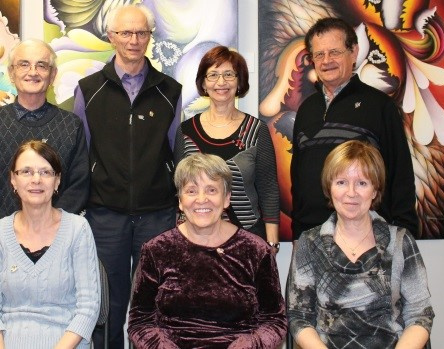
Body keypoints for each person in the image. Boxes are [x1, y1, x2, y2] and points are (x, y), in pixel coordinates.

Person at [72, 4, 182, 348]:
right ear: (111, 36)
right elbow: (81, 153)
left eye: (141, 33)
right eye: (126, 33)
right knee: (108, 305)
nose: (134, 40)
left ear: (150, 37)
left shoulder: (170, 90)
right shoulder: (88, 89)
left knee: (152, 306)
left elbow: (177, 153)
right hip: (105, 215)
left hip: (157, 214)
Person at [128, 153, 287, 348]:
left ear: (227, 198)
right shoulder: (156, 250)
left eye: (211, 190)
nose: (201, 200)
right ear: (180, 201)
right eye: (191, 191)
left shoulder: (256, 250)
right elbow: (140, 322)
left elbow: (274, 321)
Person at [287, 140, 434, 348]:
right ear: (329, 188)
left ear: (375, 191)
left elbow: (420, 314)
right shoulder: (310, 243)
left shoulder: (400, 241)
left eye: (362, 183)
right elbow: (299, 316)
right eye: (341, 182)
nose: (351, 193)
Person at [290, 17, 418, 240]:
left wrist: (404, 234)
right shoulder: (306, 110)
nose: (326, 60)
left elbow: (401, 175)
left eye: (335, 52)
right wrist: (297, 233)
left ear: (354, 52)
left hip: (366, 238)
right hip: (311, 239)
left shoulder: (380, 106)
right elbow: (298, 180)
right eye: (319, 54)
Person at [0, 38, 89, 254]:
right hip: (0, 244)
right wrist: (8, 232)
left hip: (56, 245)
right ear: (12, 73)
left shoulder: (71, 125)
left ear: (52, 75)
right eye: (24, 64)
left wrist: (50, 230)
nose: (32, 72)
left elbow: (78, 186)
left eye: (41, 65)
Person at [0, 140, 100, 348]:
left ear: (57, 181)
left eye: (46, 172)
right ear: (13, 180)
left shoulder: (78, 230)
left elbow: (88, 308)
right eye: (26, 171)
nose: (36, 180)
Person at [174, 45, 280, 252]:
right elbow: (179, 189)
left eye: (229, 74)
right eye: (213, 75)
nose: (221, 82)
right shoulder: (186, 131)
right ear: (203, 83)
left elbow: (269, 188)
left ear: (239, 81)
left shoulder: (256, 130)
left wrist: (272, 242)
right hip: (195, 238)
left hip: (247, 237)